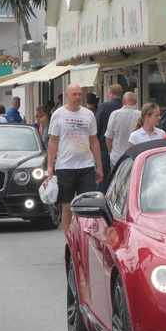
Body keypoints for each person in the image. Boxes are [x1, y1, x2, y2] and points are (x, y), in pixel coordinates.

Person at [46, 83, 103, 237]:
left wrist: (99, 166)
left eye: (79, 94)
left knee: (87, 205)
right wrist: (50, 166)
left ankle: (85, 237)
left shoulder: (88, 114)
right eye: (74, 94)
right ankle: (68, 239)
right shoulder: (58, 114)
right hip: (65, 166)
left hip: (86, 165)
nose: (78, 97)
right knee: (67, 205)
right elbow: (53, 141)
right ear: (67, 96)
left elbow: (94, 141)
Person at [95, 84, 123, 191]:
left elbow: (97, 127)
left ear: (111, 94)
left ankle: (100, 204)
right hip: (122, 149)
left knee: (102, 178)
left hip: (103, 147)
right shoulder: (123, 107)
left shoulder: (104, 106)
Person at [105, 92, 141, 169]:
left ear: (123, 101)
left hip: (116, 156)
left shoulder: (115, 114)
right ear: (135, 102)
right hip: (135, 156)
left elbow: (108, 137)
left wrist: (110, 151)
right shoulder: (140, 115)